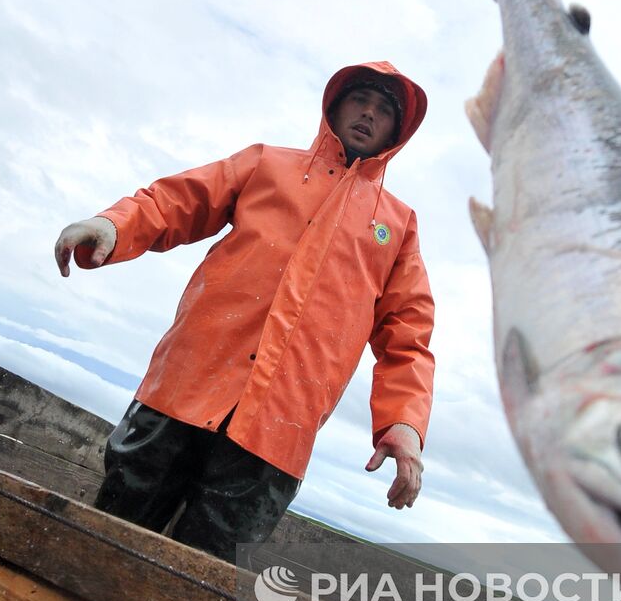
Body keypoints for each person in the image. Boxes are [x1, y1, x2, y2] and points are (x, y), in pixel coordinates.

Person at [53, 61, 435, 561]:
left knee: (202, 582)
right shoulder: (266, 164)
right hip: (184, 389)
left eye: (385, 109)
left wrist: (403, 423)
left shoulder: (398, 226)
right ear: (334, 106)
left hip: (278, 431)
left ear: (397, 131)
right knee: (102, 543)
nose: (369, 113)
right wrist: (114, 225)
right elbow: (177, 201)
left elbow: (408, 336)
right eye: (360, 99)